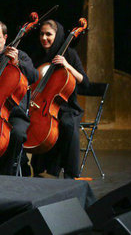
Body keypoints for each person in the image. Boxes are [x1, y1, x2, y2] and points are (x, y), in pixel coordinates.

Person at [29, 19, 89, 179]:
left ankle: (71, 174)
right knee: (38, 127)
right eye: (41, 34)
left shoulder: (69, 54)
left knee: (67, 125)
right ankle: (41, 169)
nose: (44, 38)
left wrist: (68, 66)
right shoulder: (38, 55)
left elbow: (85, 83)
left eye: (48, 34)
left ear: (58, 35)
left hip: (68, 107)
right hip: (42, 106)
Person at [0, 20, 38, 176]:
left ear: (5, 38)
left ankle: (5, 175)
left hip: (14, 113)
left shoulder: (19, 55)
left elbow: (33, 76)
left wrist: (16, 62)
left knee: (16, 134)